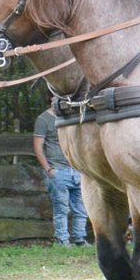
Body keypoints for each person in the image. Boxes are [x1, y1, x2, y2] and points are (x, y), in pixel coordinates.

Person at [33, 102, 89, 247]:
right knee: (61, 208)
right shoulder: (43, 119)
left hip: (77, 170)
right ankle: (62, 239)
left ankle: (80, 239)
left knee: (81, 208)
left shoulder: (73, 117)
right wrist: (49, 170)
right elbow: (38, 147)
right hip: (57, 170)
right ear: (51, 98)